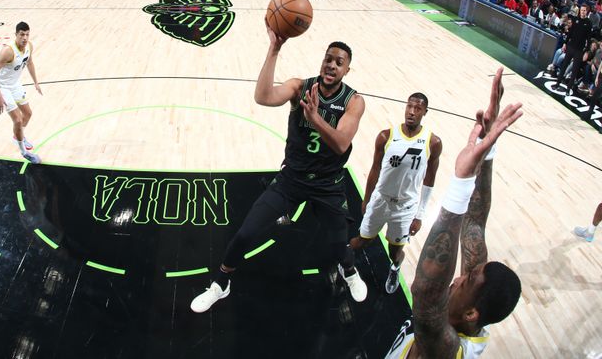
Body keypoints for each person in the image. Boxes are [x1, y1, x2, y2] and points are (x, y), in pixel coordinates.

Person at [191, 25, 367, 313]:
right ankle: (220, 283)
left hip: (328, 184)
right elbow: (263, 97)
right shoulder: (300, 87)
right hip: (292, 179)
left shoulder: (354, 101)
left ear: (347, 70)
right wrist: (274, 49)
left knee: (338, 245)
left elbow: (341, 143)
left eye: (339, 62)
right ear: (322, 61)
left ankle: (349, 271)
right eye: (328, 58)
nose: (332, 65)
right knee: (246, 234)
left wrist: (314, 117)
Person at [385, 68, 523, 358]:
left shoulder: (449, 349)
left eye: (467, 280)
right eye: (468, 274)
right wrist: (487, 148)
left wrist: (460, 182)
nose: (458, 278)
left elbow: (424, 296)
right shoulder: (468, 308)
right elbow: (474, 225)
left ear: (471, 313)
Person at [349, 93, 443, 294]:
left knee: (395, 251)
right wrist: (367, 198)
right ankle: (345, 264)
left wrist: (419, 215)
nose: (412, 111)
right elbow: (375, 169)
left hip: (405, 206)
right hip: (381, 200)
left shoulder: (432, 142)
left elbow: (429, 180)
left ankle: (395, 267)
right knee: (362, 240)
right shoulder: (386, 136)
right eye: (409, 106)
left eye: (418, 108)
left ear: (425, 112)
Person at [0, 21, 42, 163]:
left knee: (28, 114)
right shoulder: (8, 51)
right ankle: (24, 152)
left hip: (15, 85)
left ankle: (17, 136)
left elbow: (29, 62)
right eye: (22, 34)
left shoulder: (29, 46)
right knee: (17, 120)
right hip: (3, 87)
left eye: (27, 34)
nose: (25, 38)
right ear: (16, 35)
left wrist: (36, 82)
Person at [556, 5, 593, 94]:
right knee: (564, 65)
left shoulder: (588, 22)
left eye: (584, 10)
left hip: (579, 50)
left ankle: (568, 89)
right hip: (570, 47)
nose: (583, 12)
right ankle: (557, 83)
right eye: (582, 10)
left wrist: (587, 51)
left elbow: (589, 38)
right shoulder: (575, 20)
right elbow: (570, 32)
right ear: (580, 11)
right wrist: (565, 42)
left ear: (587, 12)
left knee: (574, 70)